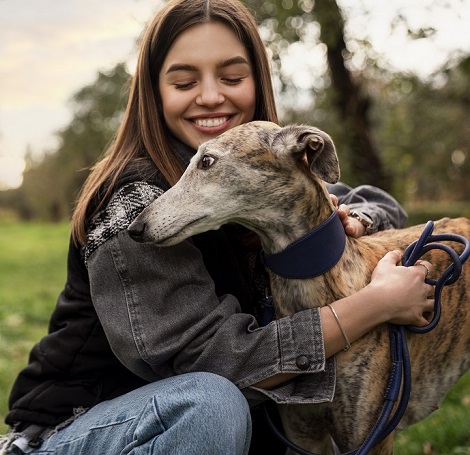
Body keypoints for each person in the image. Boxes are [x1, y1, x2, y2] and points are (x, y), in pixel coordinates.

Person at [1, 0, 434, 454]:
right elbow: (220, 364)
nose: (210, 96)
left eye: (231, 77)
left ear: (257, 81)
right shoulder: (135, 201)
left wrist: (352, 220)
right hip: (86, 430)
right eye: (184, 82)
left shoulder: (257, 168)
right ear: (154, 91)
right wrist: (376, 304)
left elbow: (377, 201)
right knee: (212, 403)